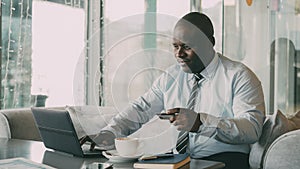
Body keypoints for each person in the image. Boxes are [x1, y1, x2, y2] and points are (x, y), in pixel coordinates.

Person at [80, 12, 265, 169]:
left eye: (187, 47)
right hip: (179, 161)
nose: (179, 54)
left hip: (225, 161)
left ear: (210, 43)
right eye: (175, 46)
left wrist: (200, 123)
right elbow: (141, 109)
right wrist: (110, 133)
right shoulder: (172, 76)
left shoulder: (239, 77)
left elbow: (252, 129)